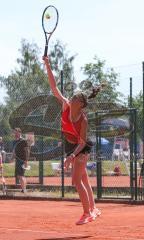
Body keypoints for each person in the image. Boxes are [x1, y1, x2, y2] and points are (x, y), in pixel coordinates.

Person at [43, 56, 101, 225]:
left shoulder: (83, 120)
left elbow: (82, 143)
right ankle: (94, 209)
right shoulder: (66, 105)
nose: (72, 98)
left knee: (76, 180)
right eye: (73, 97)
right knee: (83, 179)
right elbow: (54, 87)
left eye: (76, 98)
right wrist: (47, 64)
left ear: (81, 104)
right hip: (71, 146)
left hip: (82, 148)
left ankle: (87, 213)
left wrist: (72, 156)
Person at [11, 128, 29, 193]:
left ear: (19, 133)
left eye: (16, 132)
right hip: (17, 160)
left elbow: (27, 151)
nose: (15, 133)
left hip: (22, 160)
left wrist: (26, 161)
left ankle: (24, 189)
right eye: (14, 132)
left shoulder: (23, 141)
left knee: (21, 175)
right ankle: (23, 189)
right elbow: (14, 151)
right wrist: (12, 158)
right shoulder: (14, 141)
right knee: (19, 175)